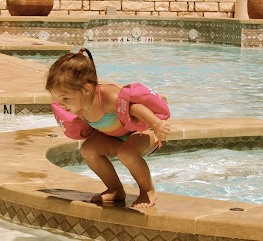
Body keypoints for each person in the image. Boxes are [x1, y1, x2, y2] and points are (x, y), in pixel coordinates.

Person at [46, 48, 170, 208]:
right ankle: (115, 189)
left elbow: (134, 108)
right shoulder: (79, 106)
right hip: (116, 137)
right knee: (88, 150)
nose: (61, 104)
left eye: (65, 98)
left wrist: (156, 124)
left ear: (86, 89)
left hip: (143, 132)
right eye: (57, 99)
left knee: (127, 153)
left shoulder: (108, 97)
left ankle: (148, 191)